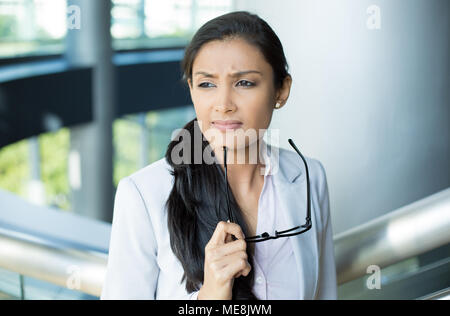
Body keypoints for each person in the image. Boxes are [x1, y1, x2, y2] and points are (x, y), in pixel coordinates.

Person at [101, 11, 337, 300]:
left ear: (281, 90)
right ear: (191, 90)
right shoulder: (143, 195)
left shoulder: (310, 177)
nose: (223, 105)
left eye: (245, 83)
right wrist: (211, 295)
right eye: (207, 84)